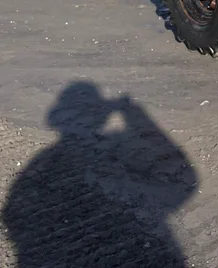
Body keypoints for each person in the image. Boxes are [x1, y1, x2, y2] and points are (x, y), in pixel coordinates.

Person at [2, 82, 196, 268]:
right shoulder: (49, 160)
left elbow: (10, 214)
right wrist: (134, 113)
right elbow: (186, 186)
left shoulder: (44, 159)